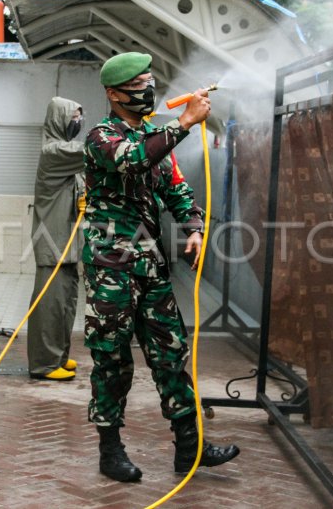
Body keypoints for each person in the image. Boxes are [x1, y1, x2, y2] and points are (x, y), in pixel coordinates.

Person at [83, 52, 240, 482]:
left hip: (149, 267)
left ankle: (190, 449)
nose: (147, 89)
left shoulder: (156, 136)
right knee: (112, 361)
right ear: (113, 94)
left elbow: (176, 189)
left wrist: (192, 226)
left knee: (171, 355)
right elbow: (134, 159)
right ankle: (110, 450)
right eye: (136, 83)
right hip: (110, 266)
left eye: (149, 79)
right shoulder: (101, 137)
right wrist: (184, 123)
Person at [27, 96, 85, 381]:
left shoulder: (64, 155)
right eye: (73, 117)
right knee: (49, 309)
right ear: (59, 119)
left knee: (65, 306)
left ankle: (59, 356)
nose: (78, 122)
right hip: (54, 245)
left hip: (69, 246)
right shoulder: (54, 152)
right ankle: (44, 364)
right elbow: (93, 152)